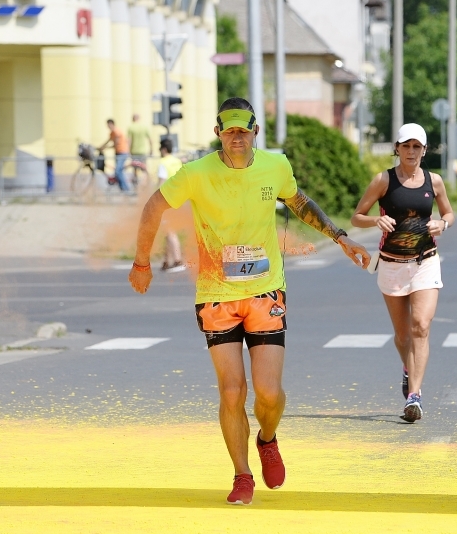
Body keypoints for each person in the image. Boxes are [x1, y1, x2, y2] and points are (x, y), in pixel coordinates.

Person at [128, 97, 370, 505]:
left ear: (255, 131)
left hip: (264, 291)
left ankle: (268, 439)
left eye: (243, 130)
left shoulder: (276, 166)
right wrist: (141, 262)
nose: (236, 137)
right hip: (216, 295)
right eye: (229, 131)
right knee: (232, 392)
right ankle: (242, 475)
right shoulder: (195, 173)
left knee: (269, 394)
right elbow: (154, 206)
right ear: (218, 133)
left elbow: (300, 204)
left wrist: (340, 237)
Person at [350, 123, 454, 423]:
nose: (411, 152)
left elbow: (449, 213)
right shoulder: (383, 180)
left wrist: (442, 224)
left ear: (424, 149)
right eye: (406, 146)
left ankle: (415, 397)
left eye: (417, 146)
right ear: (397, 148)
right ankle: (408, 370)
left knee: (421, 325)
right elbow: (357, 217)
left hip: (425, 261)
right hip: (392, 264)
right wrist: (375, 222)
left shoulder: (434, 181)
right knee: (402, 334)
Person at [156, 138, 185, 273]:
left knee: (170, 231)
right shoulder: (177, 161)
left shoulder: (163, 163)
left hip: (166, 200)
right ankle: (167, 261)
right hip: (178, 198)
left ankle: (178, 260)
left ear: (163, 149)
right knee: (167, 231)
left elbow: (161, 183)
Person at [98, 119, 132, 193]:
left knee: (118, 171)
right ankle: (122, 188)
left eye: (108, 125)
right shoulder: (112, 133)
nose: (107, 126)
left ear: (112, 124)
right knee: (119, 171)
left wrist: (105, 148)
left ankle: (126, 189)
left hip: (122, 152)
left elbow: (115, 143)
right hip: (118, 153)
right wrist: (101, 147)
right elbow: (108, 141)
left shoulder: (117, 132)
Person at [127, 114, 153, 184]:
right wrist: (151, 149)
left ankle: (136, 185)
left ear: (133, 119)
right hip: (142, 151)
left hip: (134, 152)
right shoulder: (144, 127)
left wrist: (128, 151)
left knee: (135, 169)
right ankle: (146, 182)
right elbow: (150, 139)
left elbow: (129, 141)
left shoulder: (131, 127)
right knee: (144, 168)